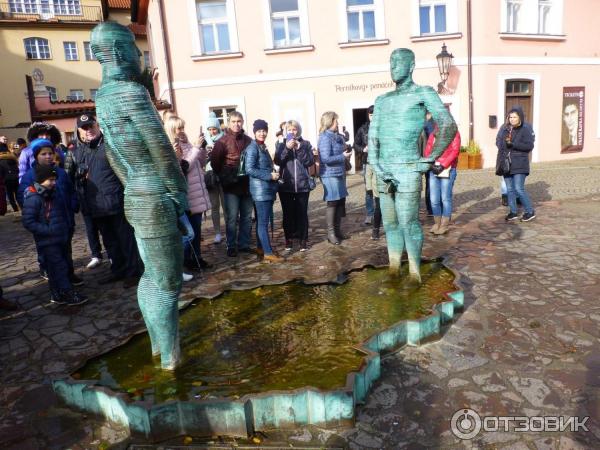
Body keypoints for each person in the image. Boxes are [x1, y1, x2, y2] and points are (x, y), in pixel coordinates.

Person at [91, 22, 189, 370]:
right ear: (118, 52)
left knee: (150, 276)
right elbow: (161, 150)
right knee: (167, 282)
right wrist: (178, 196)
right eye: (134, 49)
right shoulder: (132, 94)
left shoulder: (102, 98)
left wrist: (131, 185)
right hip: (155, 194)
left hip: (134, 191)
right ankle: (171, 361)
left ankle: (158, 348)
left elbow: (114, 156)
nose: (138, 55)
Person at [369, 48, 457, 281]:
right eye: (391, 62)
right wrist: (375, 165)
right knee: (390, 223)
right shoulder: (382, 100)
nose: (394, 66)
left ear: (411, 66)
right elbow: (373, 136)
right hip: (384, 169)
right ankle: (394, 267)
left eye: (399, 62)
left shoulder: (423, 93)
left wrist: (428, 159)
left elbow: (448, 125)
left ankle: (415, 272)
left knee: (409, 222)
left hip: (408, 167)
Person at [67, 114, 141, 286]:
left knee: (126, 239)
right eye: (84, 128)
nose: (88, 131)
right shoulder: (77, 153)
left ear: (97, 126)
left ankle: (133, 271)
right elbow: (70, 179)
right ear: (79, 131)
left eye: (91, 126)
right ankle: (118, 270)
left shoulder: (111, 146)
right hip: (94, 206)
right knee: (109, 241)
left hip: (116, 202)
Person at [18, 139, 82, 286]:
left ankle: (69, 274)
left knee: (66, 250)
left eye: (50, 153)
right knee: (51, 255)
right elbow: (23, 197)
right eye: (43, 154)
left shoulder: (60, 172)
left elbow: (70, 190)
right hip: (45, 224)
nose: (47, 156)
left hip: (64, 219)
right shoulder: (30, 176)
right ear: (36, 156)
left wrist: (73, 205)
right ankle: (58, 284)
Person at [22, 165, 87, 305]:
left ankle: (56, 293)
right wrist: (48, 230)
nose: (54, 182)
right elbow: (28, 221)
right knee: (59, 267)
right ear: (40, 180)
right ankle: (67, 293)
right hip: (48, 240)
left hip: (60, 237)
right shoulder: (34, 198)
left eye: (54, 179)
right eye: (50, 180)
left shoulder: (53, 193)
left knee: (56, 267)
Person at [164, 115, 212, 272]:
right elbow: (183, 167)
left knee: (197, 230)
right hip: (188, 193)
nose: (182, 131)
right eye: (179, 128)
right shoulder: (172, 147)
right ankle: (187, 260)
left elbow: (201, 163)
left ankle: (196, 258)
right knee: (190, 232)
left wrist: (202, 149)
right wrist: (197, 149)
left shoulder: (186, 143)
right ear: (172, 130)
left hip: (197, 191)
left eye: (183, 127)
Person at [209, 111, 253, 257]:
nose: (236, 124)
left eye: (239, 121)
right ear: (229, 123)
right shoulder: (222, 141)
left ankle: (244, 244)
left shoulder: (248, 140)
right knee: (232, 217)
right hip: (231, 186)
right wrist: (225, 176)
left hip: (246, 185)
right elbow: (215, 163)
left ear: (242, 122)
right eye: (233, 121)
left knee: (246, 216)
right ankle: (231, 245)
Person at [274, 119, 315, 252]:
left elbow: (309, 162)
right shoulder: (281, 145)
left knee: (302, 213)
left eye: (294, 129)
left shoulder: (305, 144)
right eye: (289, 130)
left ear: (298, 130)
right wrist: (287, 148)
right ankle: (289, 239)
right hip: (286, 186)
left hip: (302, 185)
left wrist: (299, 148)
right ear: (286, 131)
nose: (292, 132)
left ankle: (303, 240)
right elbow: (278, 161)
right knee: (288, 214)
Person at [245, 119, 282, 262]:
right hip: (261, 191)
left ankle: (261, 247)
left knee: (262, 221)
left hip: (266, 189)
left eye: (264, 130)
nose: (262, 133)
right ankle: (268, 252)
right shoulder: (253, 148)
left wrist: (273, 172)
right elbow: (250, 169)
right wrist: (269, 176)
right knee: (262, 222)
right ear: (255, 132)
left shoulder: (262, 146)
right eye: (259, 131)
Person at [495, 106, 536, 222]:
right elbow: (498, 141)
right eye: (510, 117)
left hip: (520, 163)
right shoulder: (505, 128)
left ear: (520, 118)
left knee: (518, 188)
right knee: (509, 189)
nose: (512, 119)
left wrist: (513, 145)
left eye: (515, 117)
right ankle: (513, 212)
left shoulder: (525, 129)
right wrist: (502, 145)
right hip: (506, 163)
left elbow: (529, 146)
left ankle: (529, 211)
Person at [318, 111, 352, 245]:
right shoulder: (325, 137)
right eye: (336, 121)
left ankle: (337, 231)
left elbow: (340, 149)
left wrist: (347, 151)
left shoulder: (337, 136)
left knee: (339, 202)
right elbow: (325, 158)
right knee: (332, 202)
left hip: (339, 172)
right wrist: (342, 157)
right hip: (329, 174)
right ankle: (331, 233)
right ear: (330, 122)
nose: (338, 123)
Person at [425, 127, 461, 235]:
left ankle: (444, 225)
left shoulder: (454, 132)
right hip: (434, 168)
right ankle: (437, 223)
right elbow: (428, 149)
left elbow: (455, 151)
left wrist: (443, 165)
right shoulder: (433, 133)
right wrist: (430, 163)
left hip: (448, 168)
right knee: (434, 199)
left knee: (445, 198)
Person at [203, 112, 226, 244]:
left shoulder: (224, 139)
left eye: (214, 128)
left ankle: (229, 231)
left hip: (222, 175)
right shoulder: (205, 140)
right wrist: (206, 154)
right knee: (214, 206)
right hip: (210, 176)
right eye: (210, 129)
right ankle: (217, 232)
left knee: (226, 205)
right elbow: (200, 160)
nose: (212, 131)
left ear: (218, 128)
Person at [354, 105, 374, 224]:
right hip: (367, 162)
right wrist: (363, 149)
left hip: (380, 163)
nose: (373, 117)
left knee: (381, 189)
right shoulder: (363, 129)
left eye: (375, 114)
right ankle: (370, 214)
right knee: (369, 189)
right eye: (371, 115)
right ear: (368, 115)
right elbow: (355, 145)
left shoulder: (383, 128)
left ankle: (381, 213)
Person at [0, 141, 20, 213]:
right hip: (15, 179)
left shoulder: (1, 161)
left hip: (7, 181)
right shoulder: (13, 158)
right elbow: (17, 169)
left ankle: (16, 210)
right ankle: (22, 208)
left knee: (11, 197)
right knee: (18, 195)